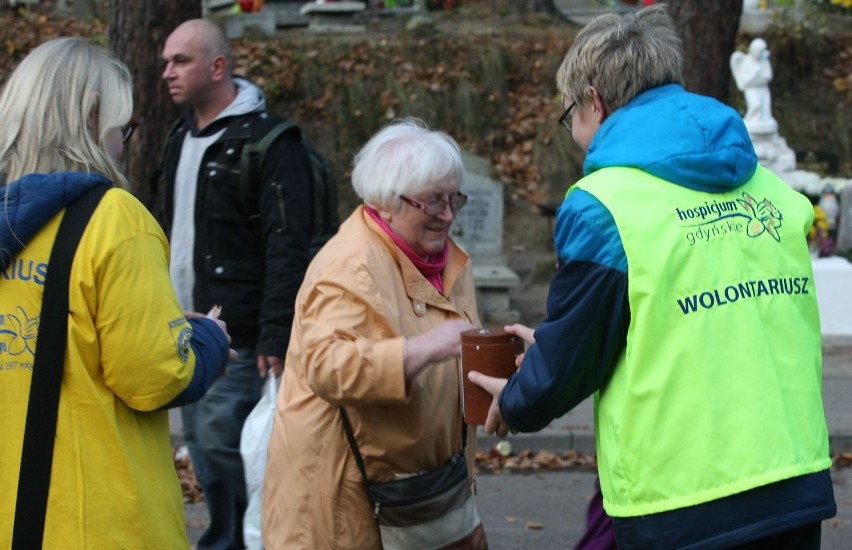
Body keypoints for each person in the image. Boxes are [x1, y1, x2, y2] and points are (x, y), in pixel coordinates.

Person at [469, 5, 837, 549]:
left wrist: (519, 397)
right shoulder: (770, 191)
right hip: (792, 479)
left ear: (594, 101)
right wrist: (551, 350)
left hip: (684, 498)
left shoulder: (605, 204)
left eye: (569, 113)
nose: (574, 131)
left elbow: (576, 350)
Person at [0, 37, 232, 548]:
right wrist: (206, 340)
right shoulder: (114, 220)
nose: (126, 142)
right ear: (92, 121)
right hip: (98, 520)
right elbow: (151, 377)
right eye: (125, 127)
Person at [262, 118, 486, 548]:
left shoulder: (448, 261)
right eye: (432, 201)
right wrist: (423, 349)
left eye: (453, 197)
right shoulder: (348, 267)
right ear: (385, 203)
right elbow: (328, 368)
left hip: (422, 500)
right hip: (345, 507)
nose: (448, 214)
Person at [159, 18, 314, 550]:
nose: (167, 73)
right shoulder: (180, 135)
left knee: (230, 450)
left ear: (217, 66)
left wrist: (276, 332)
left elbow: (288, 244)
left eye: (180, 61)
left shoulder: (269, 143)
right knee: (207, 450)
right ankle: (233, 537)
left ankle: (240, 541)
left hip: (239, 336)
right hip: (184, 327)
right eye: (166, 62)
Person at [731, 37, 778, 134]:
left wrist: (759, 77)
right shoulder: (747, 61)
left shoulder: (764, 60)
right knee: (755, 106)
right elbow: (746, 80)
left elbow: (768, 76)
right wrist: (755, 73)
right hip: (752, 89)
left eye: (761, 51)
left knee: (765, 109)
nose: (760, 53)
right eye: (758, 51)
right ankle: (746, 123)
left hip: (763, 88)